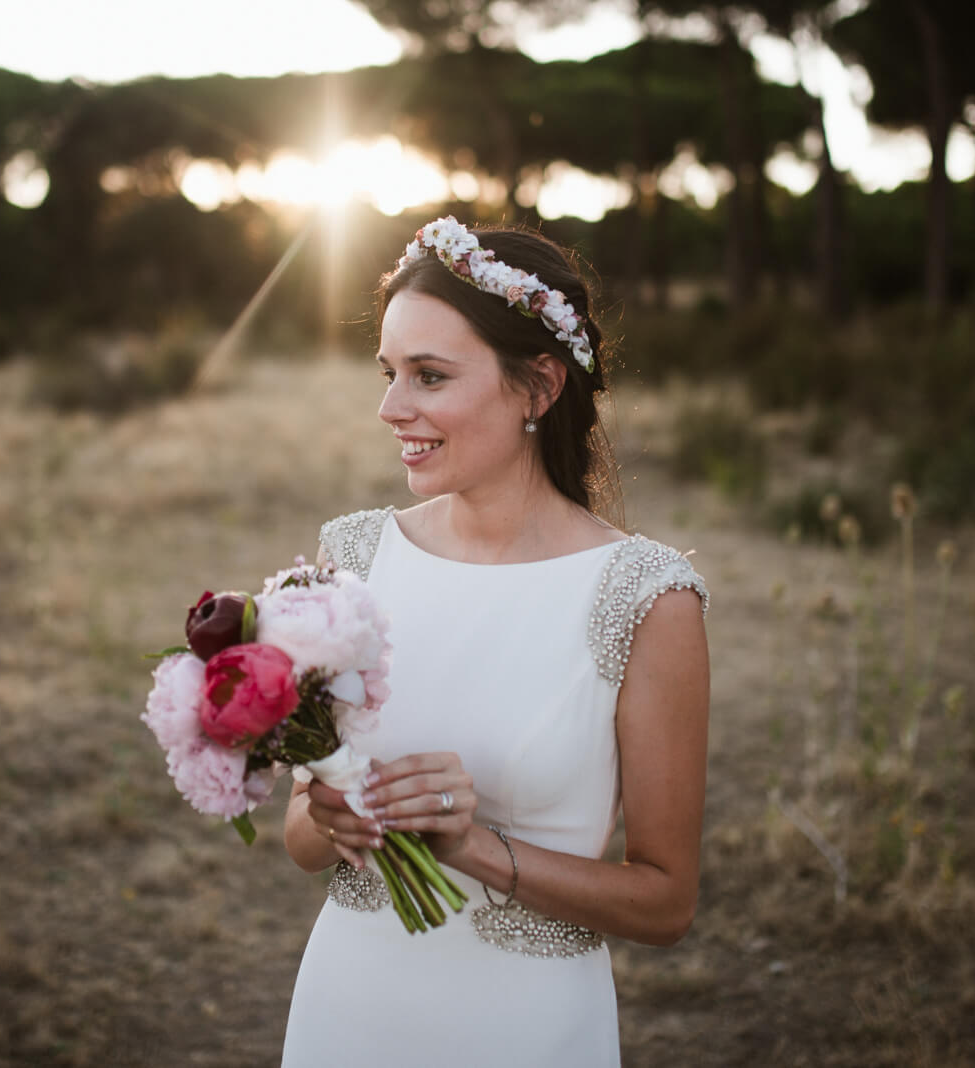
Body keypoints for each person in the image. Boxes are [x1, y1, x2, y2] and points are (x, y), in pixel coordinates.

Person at [280, 217, 709, 1066]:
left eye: (429, 376)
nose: (390, 408)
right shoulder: (354, 558)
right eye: (389, 372)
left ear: (539, 388)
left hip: (525, 1030)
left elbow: (665, 905)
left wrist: (477, 848)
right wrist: (330, 812)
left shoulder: (646, 599)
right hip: (348, 1008)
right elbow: (299, 837)